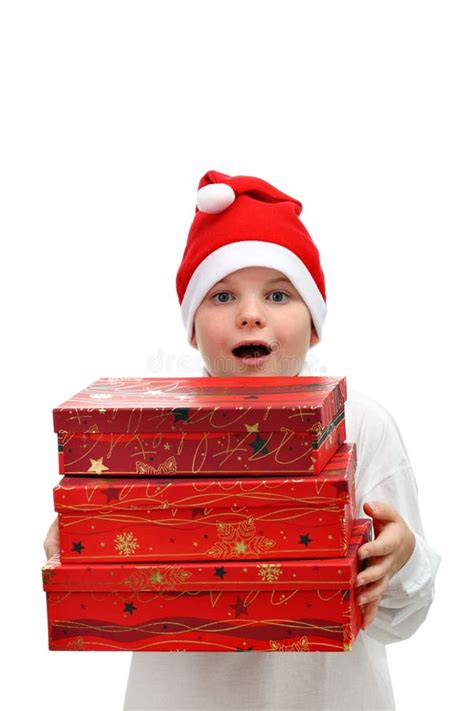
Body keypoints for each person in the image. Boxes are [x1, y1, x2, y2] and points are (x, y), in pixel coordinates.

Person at [44, 170, 441, 710]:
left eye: (278, 294)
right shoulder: (145, 435)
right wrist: (83, 544)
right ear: (192, 327)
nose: (250, 314)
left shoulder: (363, 425)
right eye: (223, 295)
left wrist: (400, 559)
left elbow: (405, 618)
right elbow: (108, 568)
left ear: (314, 323)